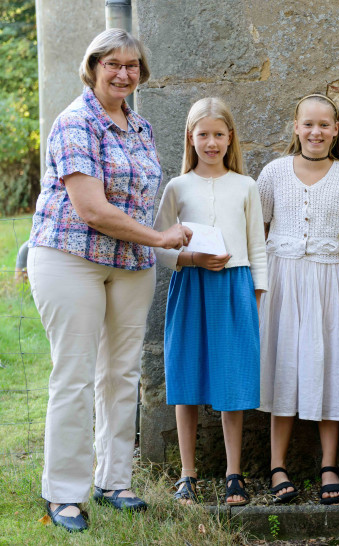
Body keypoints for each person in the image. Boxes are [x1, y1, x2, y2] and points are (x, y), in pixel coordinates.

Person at [27, 29, 191, 533]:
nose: (124, 73)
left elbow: (145, 195)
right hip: (70, 255)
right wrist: (162, 239)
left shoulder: (141, 127)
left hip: (130, 265)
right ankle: (64, 494)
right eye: (113, 64)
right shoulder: (75, 122)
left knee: (121, 375)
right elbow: (92, 209)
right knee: (73, 376)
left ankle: (114, 480)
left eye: (133, 65)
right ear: (93, 66)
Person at [256, 93, 339, 505]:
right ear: (295, 127)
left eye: (324, 124)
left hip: (329, 283)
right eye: (308, 124)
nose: (316, 131)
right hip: (282, 280)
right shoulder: (273, 173)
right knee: (284, 363)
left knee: (330, 364)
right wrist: (256, 288)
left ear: (336, 129)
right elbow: (257, 232)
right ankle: (278, 465)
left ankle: (329, 464)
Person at [153, 97, 267, 507]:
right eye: (203, 134)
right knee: (186, 379)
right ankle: (188, 473)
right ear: (191, 137)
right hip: (191, 286)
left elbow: (258, 247)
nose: (211, 142)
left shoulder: (246, 186)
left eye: (219, 134)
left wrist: (256, 298)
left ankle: (234, 474)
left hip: (236, 288)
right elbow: (160, 247)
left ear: (230, 137)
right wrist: (191, 258)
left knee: (232, 381)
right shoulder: (177, 187)